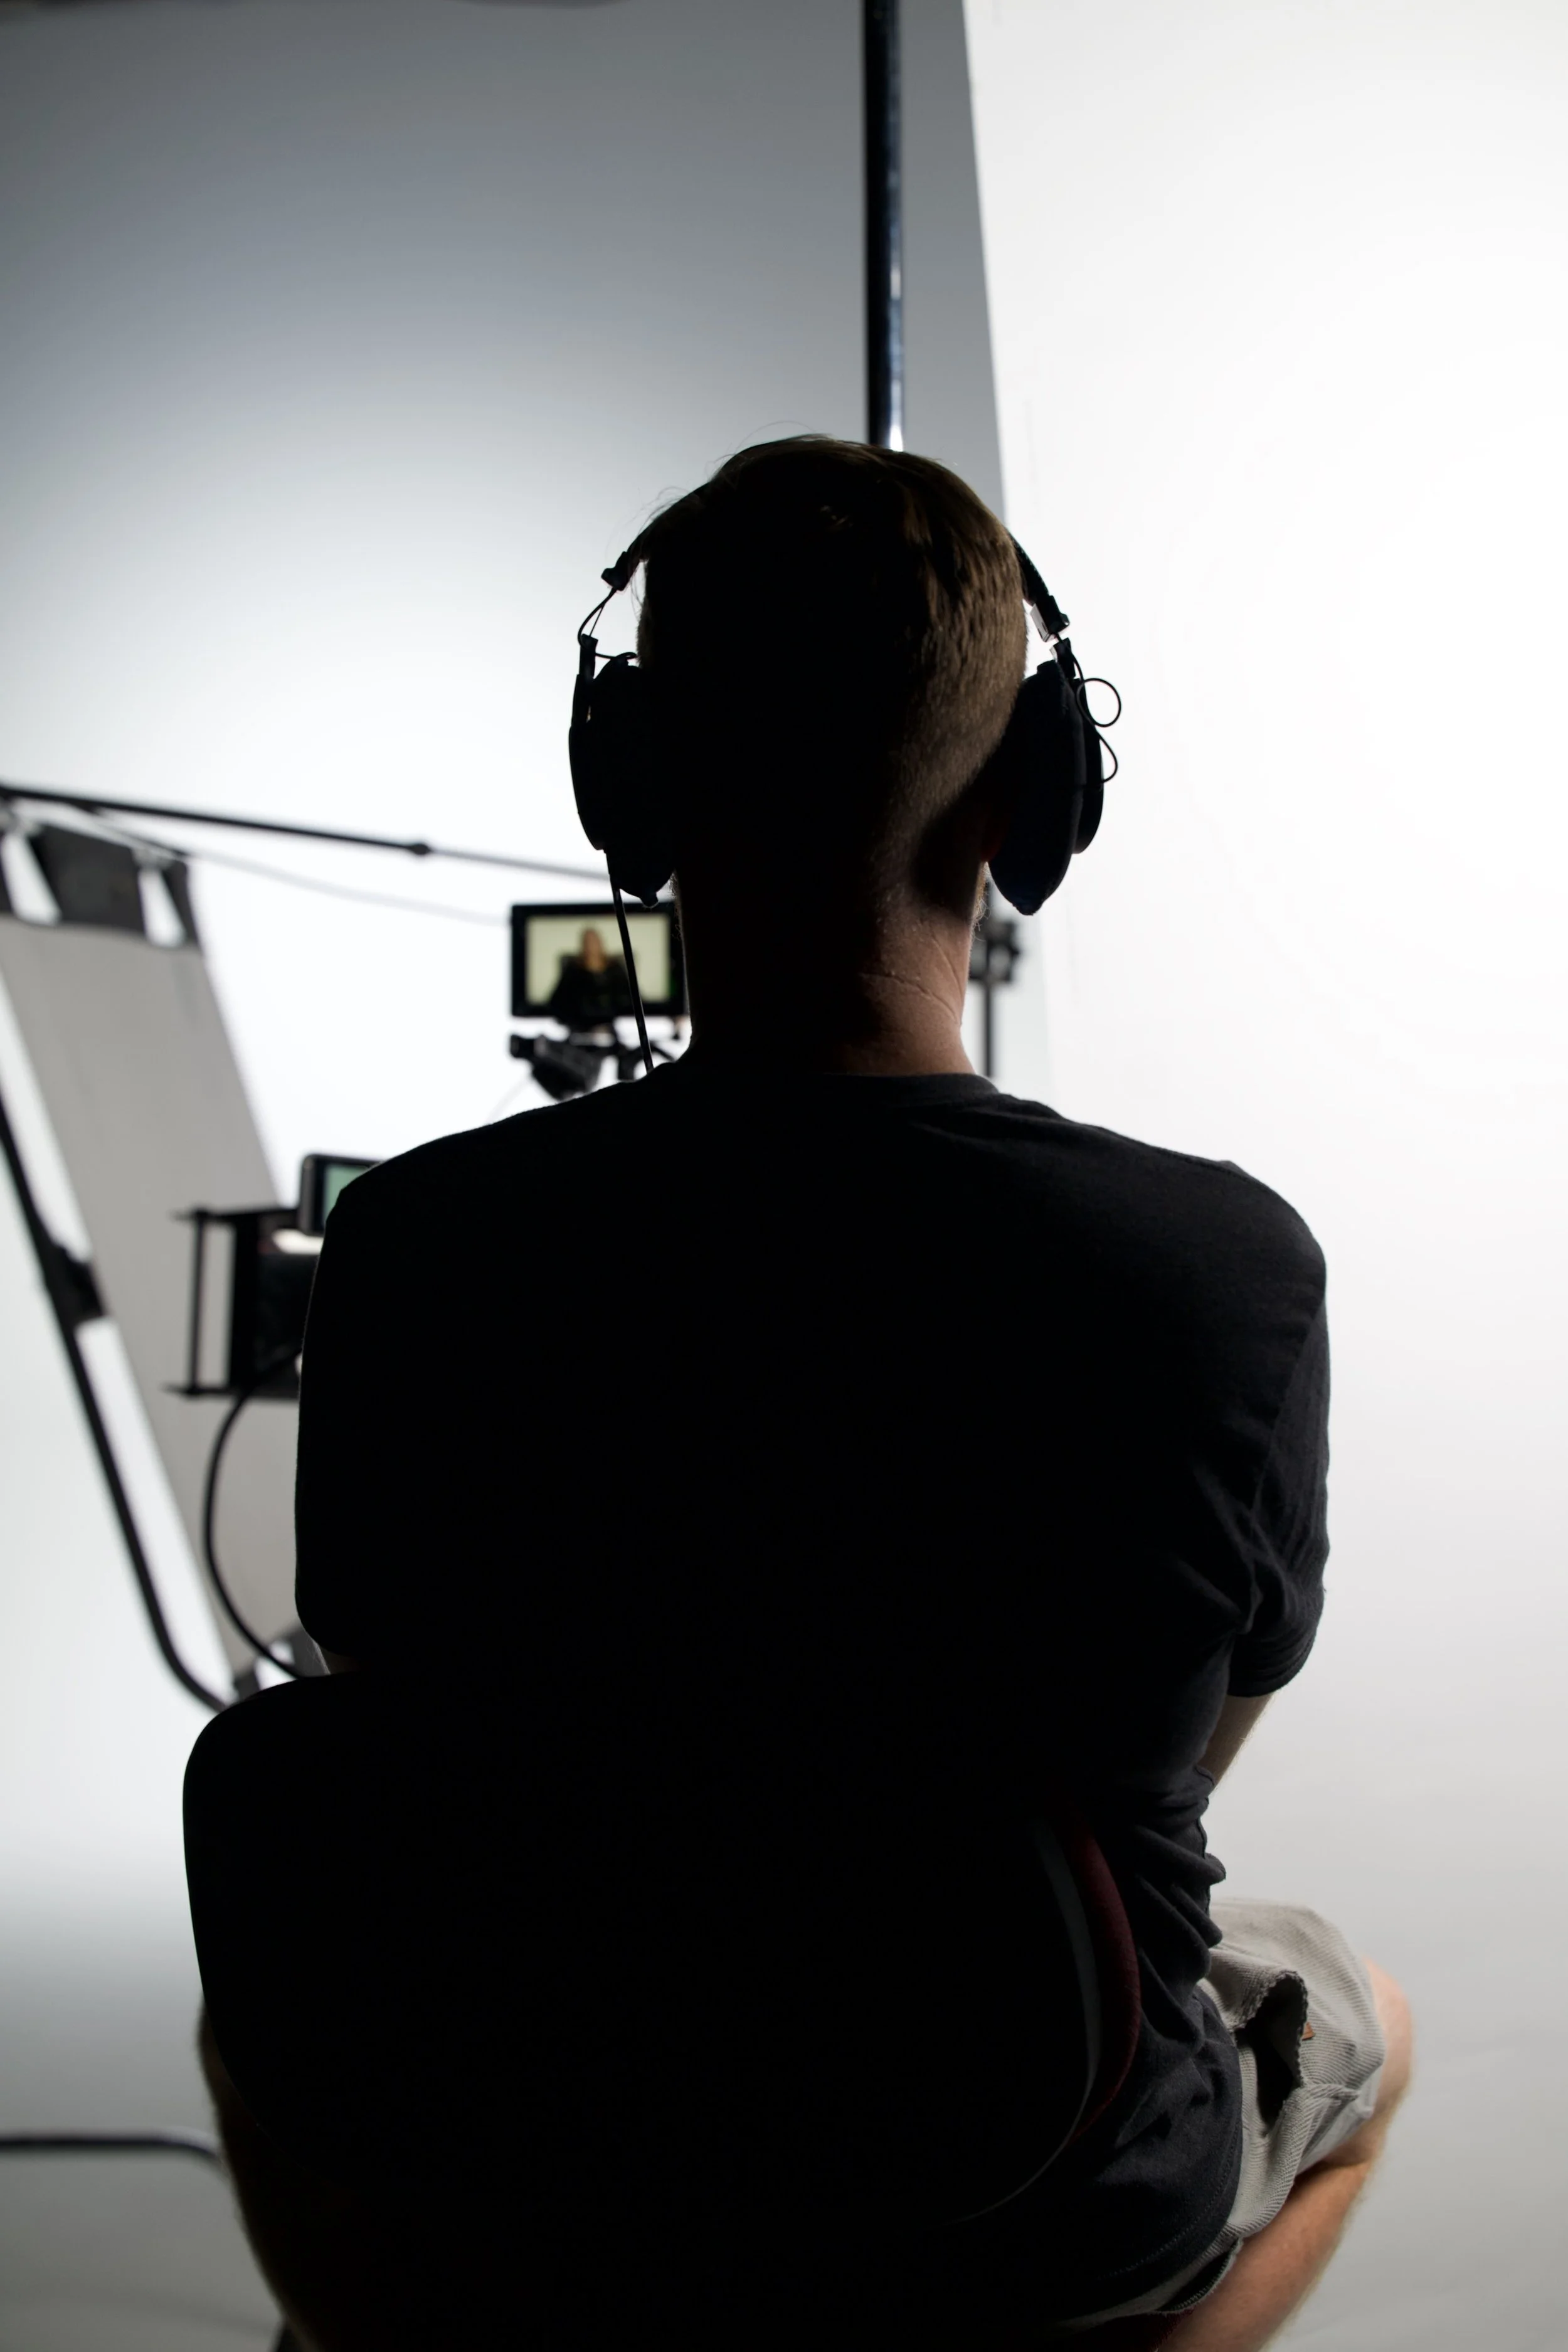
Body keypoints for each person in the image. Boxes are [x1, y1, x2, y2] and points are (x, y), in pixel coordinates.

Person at [203, 438, 1410, 2347]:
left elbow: (393, 1749)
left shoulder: (427, 1247)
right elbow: (1159, 1781)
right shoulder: (1218, 1270)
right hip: (1022, 2195)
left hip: (544, 2169)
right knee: (1355, 2013)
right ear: (1029, 797)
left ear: (634, 782)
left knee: (265, 1991)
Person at [546, 923, 633, 1030]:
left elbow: (631, 1000)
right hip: (580, 1028)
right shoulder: (573, 971)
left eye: (594, 942)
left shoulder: (616, 970)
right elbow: (556, 1004)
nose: (591, 946)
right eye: (588, 942)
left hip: (613, 1028)